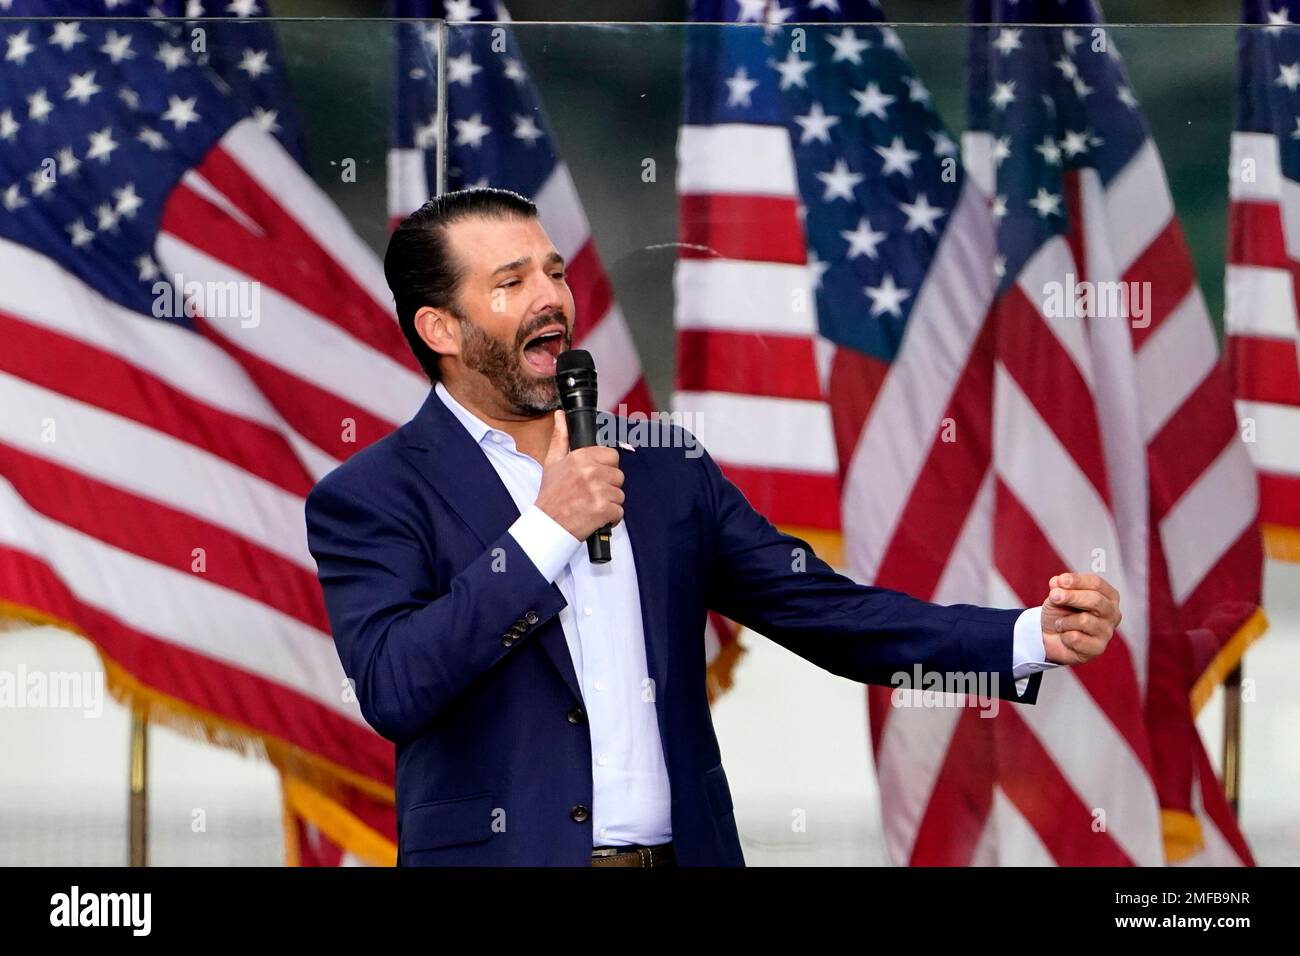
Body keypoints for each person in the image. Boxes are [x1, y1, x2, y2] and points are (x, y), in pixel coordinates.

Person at [304, 187, 1122, 867]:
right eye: (512, 282)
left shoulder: (661, 467)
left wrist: (1023, 636)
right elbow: (396, 686)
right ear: (441, 329)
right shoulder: (373, 494)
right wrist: (546, 530)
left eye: (555, 271)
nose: (552, 297)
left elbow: (825, 612)